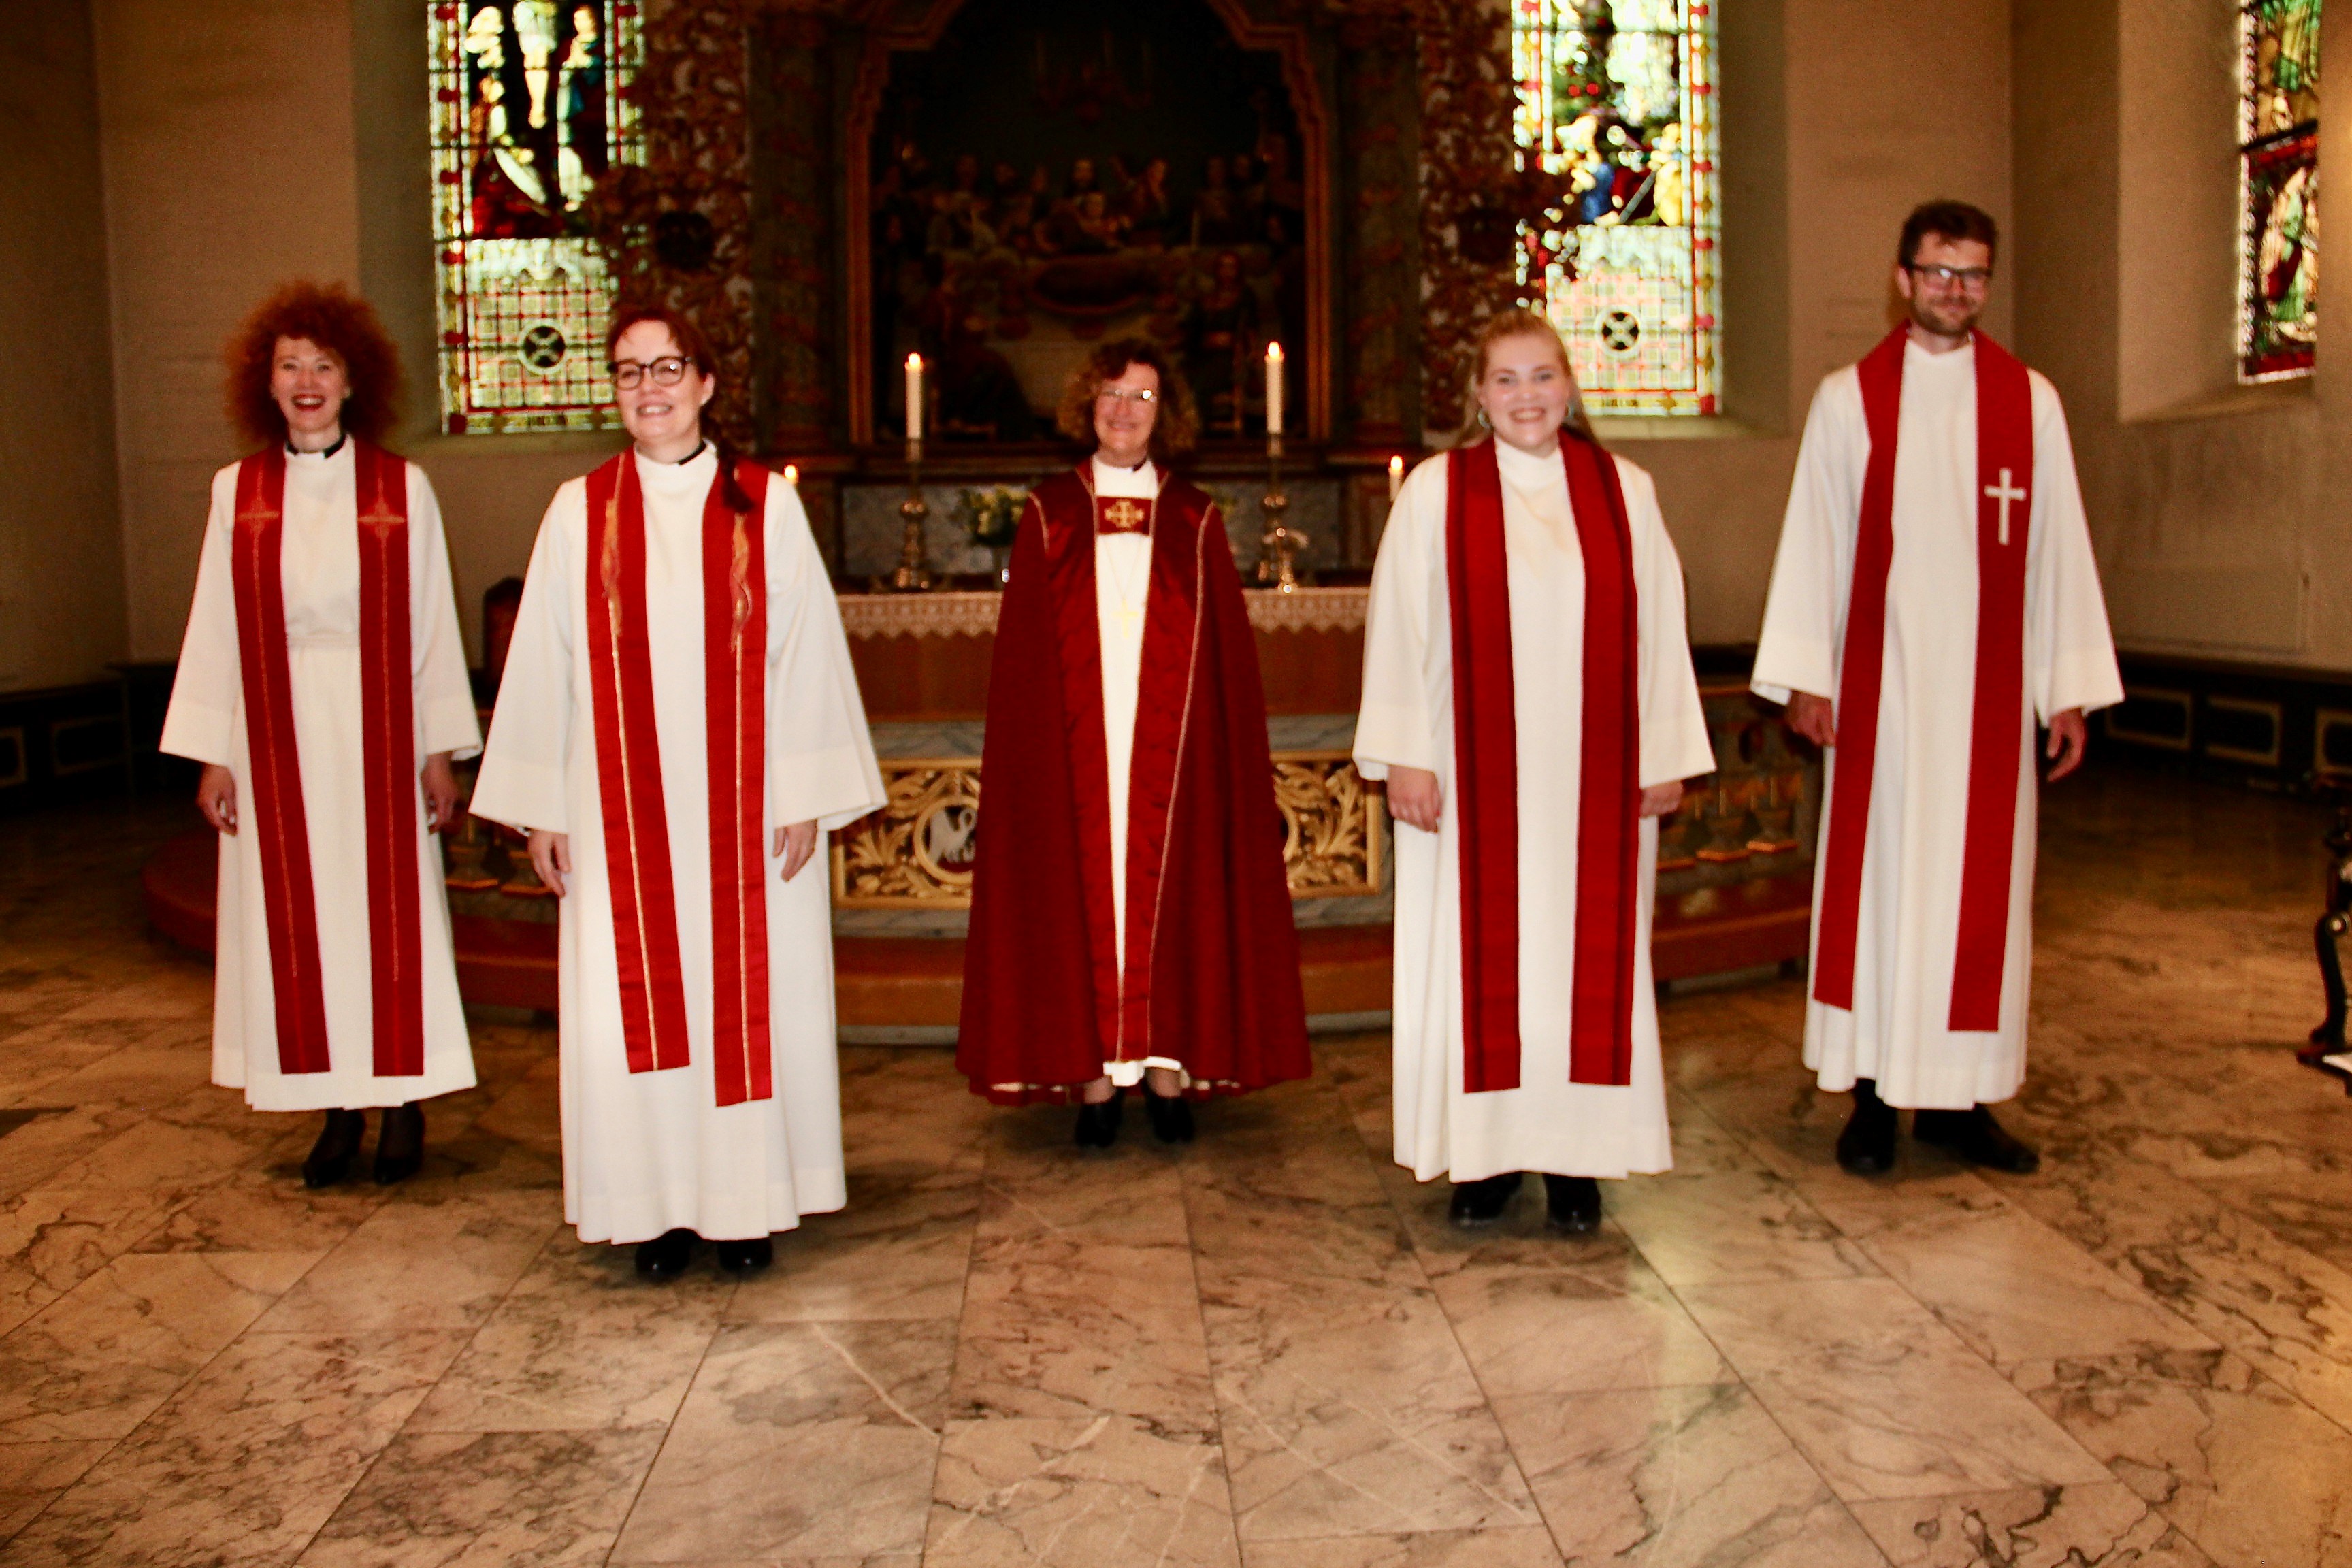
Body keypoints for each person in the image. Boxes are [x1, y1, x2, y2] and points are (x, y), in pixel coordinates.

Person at [468, 305, 884, 1279]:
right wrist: (544, 811)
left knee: (746, 1003)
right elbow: (543, 665)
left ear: (705, 383)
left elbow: (807, 658)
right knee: (634, 1011)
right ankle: (653, 1210)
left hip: (748, 817)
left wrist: (805, 795)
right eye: (628, 372)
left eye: (667, 369)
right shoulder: (579, 510)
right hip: (620, 817)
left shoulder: (764, 508)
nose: (648, 388)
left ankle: (742, 1208)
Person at [1751, 200, 2121, 1177]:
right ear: (1903, 277)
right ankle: (1873, 1097)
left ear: (1986, 284)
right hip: (1882, 702)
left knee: (1979, 905)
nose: (1955, 290)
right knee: (1879, 896)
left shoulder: (2029, 401)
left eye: (1973, 275)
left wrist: (2067, 689)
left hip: (1989, 710)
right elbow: (1816, 540)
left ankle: (1959, 1103)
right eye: (1938, 271)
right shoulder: (1849, 400)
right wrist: (1807, 678)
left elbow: (2056, 550)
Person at [1356, 308, 1712, 1232]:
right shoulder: (1437, 491)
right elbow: (1399, 626)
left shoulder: (1624, 489)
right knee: (1476, 969)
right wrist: (1405, 757)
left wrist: (1666, 752)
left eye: (1542, 376)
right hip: (1467, 787)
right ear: (1477, 396)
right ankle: (1484, 1160)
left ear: (1570, 384)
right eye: (1506, 380)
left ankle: (1576, 1162)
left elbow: (1662, 624)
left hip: (1593, 783)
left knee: (1584, 966)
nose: (1526, 396)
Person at [160, 281, 481, 1188]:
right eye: (290, 364)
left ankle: (403, 1103)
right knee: (302, 925)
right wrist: (214, 754)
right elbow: (216, 623)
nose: (307, 380)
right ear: (265, 382)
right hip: (274, 733)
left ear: (353, 380)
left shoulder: (400, 487)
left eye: (324, 364)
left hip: (378, 737)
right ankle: (337, 1110)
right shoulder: (240, 492)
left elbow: (429, 625)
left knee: (384, 919)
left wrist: (440, 750)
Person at [958, 338, 1310, 1145]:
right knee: (1080, 894)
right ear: (1089, 405)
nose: (1125, 411)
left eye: (1143, 398)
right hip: (1075, 748)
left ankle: (1166, 1073)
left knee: (1174, 888)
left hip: (1173, 754)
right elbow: (1020, 669)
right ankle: (1092, 1083)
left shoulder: (1195, 517)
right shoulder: (1049, 511)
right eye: (1113, 394)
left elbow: (1224, 667)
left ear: (1167, 414)